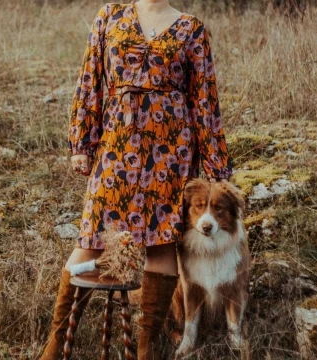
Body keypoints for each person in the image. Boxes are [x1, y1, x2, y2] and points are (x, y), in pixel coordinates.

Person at [39, 0, 233, 359]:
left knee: (160, 244)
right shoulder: (110, 15)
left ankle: (147, 350)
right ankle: (54, 347)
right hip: (116, 145)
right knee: (92, 238)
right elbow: (90, 80)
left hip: (172, 152)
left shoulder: (192, 29)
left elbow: (205, 100)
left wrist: (215, 166)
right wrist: (82, 140)